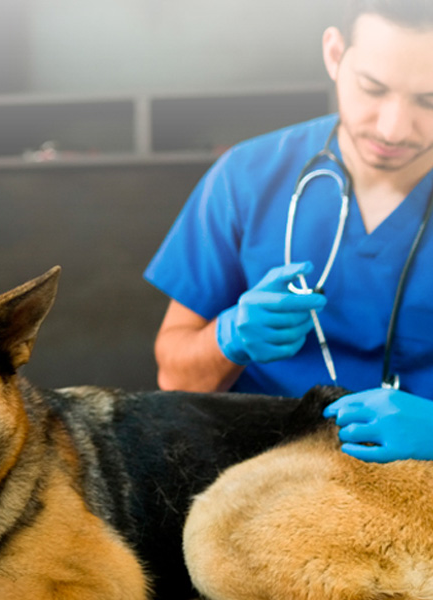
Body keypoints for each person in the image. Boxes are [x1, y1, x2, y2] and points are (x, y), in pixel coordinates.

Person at [145, 0, 433, 464]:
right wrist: (229, 337)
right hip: (261, 468)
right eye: (372, 88)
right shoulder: (246, 177)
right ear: (335, 54)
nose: (393, 127)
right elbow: (175, 377)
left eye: (429, 100)